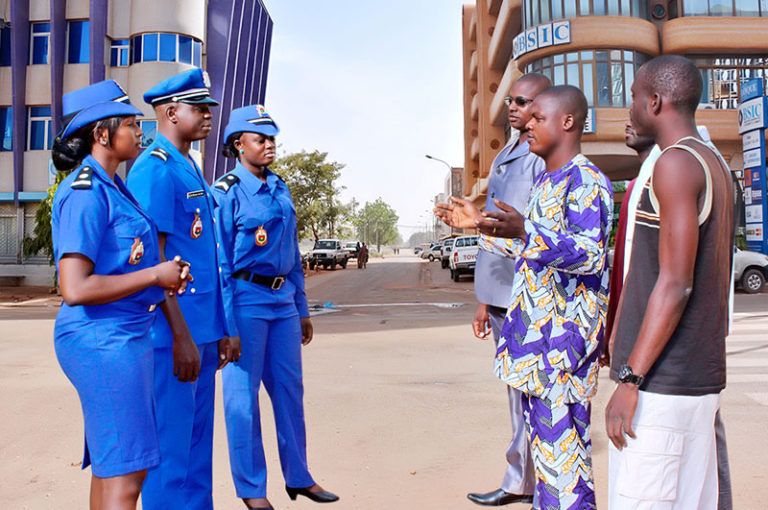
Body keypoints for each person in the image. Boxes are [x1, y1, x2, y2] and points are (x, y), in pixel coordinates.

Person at [436, 85, 612, 510]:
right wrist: (481, 226)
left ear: (567, 122)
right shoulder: (547, 181)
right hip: (535, 349)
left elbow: (589, 256)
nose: (527, 124)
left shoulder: (585, 180)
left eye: (538, 118)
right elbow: (536, 255)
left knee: (565, 472)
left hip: (561, 354)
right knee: (548, 471)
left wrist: (524, 231)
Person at [51, 81, 192, 509]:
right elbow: (74, 287)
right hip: (102, 340)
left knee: (114, 469)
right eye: (130, 124)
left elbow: (126, 265)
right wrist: (154, 274)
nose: (139, 133)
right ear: (101, 134)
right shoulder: (85, 192)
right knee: (128, 476)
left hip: (121, 338)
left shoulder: (115, 187)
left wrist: (162, 275)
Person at [606, 55, 735, 510]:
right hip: (692, 385)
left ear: (656, 102)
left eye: (636, 99)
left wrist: (629, 379)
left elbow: (675, 283)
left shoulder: (676, 164)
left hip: (661, 388)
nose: (631, 109)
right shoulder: (712, 163)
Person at [214, 105, 339, 510]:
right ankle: (253, 490)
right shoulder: (226, 193)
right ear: (238, 144)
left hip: (283, 299)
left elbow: (291, 252)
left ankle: (299, 476)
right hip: (246, 298)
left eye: (272, 140)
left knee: (289, 392)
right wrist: (227, 324)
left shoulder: (280, 187)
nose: (269, 146)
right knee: (242, 400)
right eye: (260, 139)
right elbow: (220, 265)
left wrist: (302, 307)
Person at [126, 68, 238, 510]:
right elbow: (155, 264)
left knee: (197, 452)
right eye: (200, 108)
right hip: (176, 336)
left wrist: (222, 329)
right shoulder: (153, 170)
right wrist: (180, 336)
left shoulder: (189, 164)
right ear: (171, 112)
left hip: (204, 331)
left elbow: (209, 257)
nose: (209, 116)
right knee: (170, 455)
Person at [466, 73, 550, 507]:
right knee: (516, 395)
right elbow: (498, 230)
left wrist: (477, 223)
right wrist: (483, 299)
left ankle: (530, 481)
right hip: (499, 291)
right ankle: (523, 478)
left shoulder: (541, 156)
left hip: (527, 291)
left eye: (522, 100)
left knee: (533, 394)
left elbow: (531, 231)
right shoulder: (509, 152)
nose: (512, 107)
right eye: (511, 101)